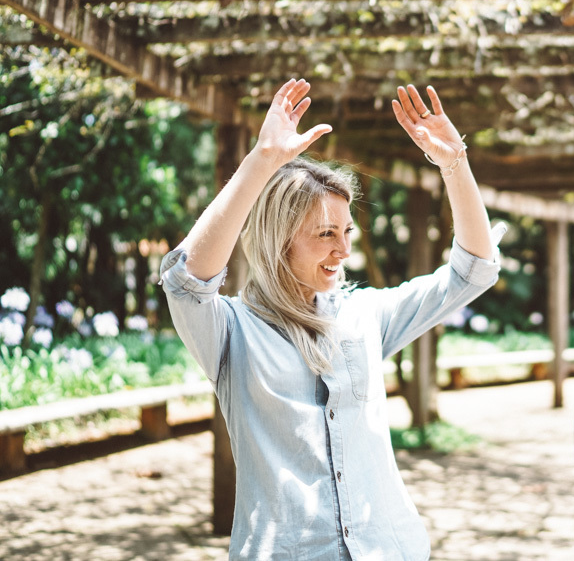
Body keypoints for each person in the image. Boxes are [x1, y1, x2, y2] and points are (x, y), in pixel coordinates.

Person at [160, 79, 502, 560]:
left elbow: (473, 273)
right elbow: (186, 282)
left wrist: (455, 163)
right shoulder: (230, 331)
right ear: (281, 239)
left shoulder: (364, 315)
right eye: (325, 234)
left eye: (346, 231)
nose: (344, 250)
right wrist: (262, 161)